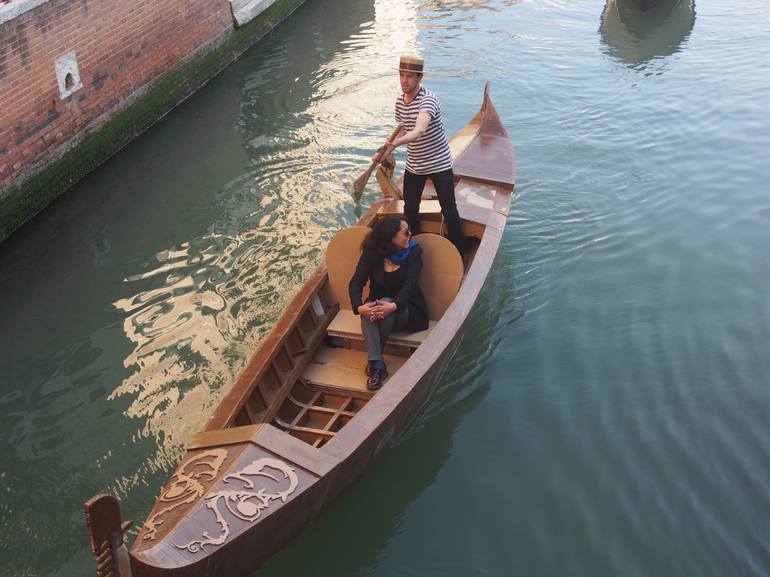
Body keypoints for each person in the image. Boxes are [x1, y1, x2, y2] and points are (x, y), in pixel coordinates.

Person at [380, 55, 463, 252]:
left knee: (449, 209)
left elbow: (419, 130)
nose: (404, 80)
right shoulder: (400, 102)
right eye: (401, 75)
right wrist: (385, 152)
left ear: (419, 78)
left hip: (439, 163)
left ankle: (458, 249)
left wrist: (399, 141)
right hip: (415, 164)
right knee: (410, 210)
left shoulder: (429, 100)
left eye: (409, 76)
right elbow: (401, 130)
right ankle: (413, 247)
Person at [349, 216, 429, 390]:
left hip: (406, 308)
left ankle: (375, 362)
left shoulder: (414, 252)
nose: (410, 234)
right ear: (390, 237)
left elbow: (410, 286)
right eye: (405, 232)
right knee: (370, 312)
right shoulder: (372, 252)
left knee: (381, 306)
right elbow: (356, 282)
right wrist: (359, 307)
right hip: (378, 308)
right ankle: (378, 364)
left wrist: (392, 306)